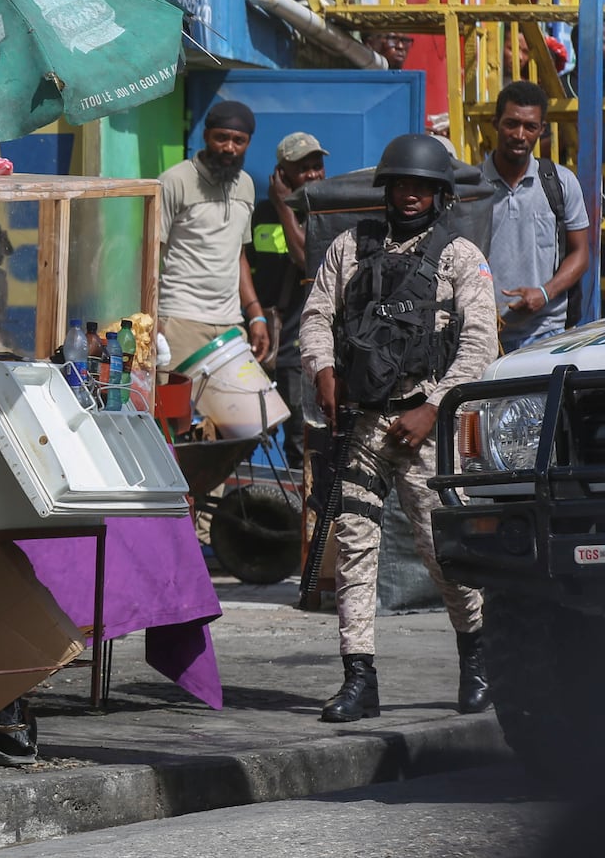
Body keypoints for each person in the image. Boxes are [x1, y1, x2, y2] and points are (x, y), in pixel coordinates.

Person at [300, 133, 498, 723]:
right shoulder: (349, 248)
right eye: (402, 185)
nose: (410, 196)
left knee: (443, 551)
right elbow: (316, 315)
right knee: (356, 547)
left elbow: (481, 345)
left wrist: (434, 406)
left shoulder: (462, 256)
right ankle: (359, 677)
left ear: (440, 195)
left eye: (422, 187)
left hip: (426, 428)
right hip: (363, 422)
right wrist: (323, 369)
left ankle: (478, 661)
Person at [157, 100, 270, 369]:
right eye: (221, 138)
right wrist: (152, 319)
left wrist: (256, 315)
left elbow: (238, 254)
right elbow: (151, 251)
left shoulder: (246, 185)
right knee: (175, 410)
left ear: (248, 143)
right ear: (206, 136)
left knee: (244, 410)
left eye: (238, 141)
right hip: (179, 321)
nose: (229, 148)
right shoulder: (175, 181)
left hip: (231, 323)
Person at [481, 80, 588, 353]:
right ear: (496, 123)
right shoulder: (470, 188)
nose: (519, 134)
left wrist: (544, 293)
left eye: (530, 127)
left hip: (547, 333)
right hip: (482, 336)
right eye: (511, 123)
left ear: (541, 130)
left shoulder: (560, 182)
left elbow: (580, 254)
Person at [250, 131, 328, 468]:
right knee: (250, 436)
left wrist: (284, 206)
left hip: (299, 352)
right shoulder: (260, 214)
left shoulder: (322, 216)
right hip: (260, 346)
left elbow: (305, 259)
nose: (312, 175)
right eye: (302, 168)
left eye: (317, 166)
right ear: (281, 174)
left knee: (302, 439)